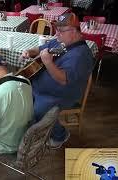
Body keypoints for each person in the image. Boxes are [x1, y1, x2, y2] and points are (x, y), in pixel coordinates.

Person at [20, 13, 94, 149]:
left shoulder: (81, 55)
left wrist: (47, 62)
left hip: (63, 94)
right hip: (41, 86)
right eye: (56, 30)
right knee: (20, 97)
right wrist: (29, 52)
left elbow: (63, 80)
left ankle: (60, 135)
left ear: (73, 31)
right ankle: (37, 128)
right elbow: (39, 49)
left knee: (38, 110)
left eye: (60, 31)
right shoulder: (62, 41)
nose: (56, 34)